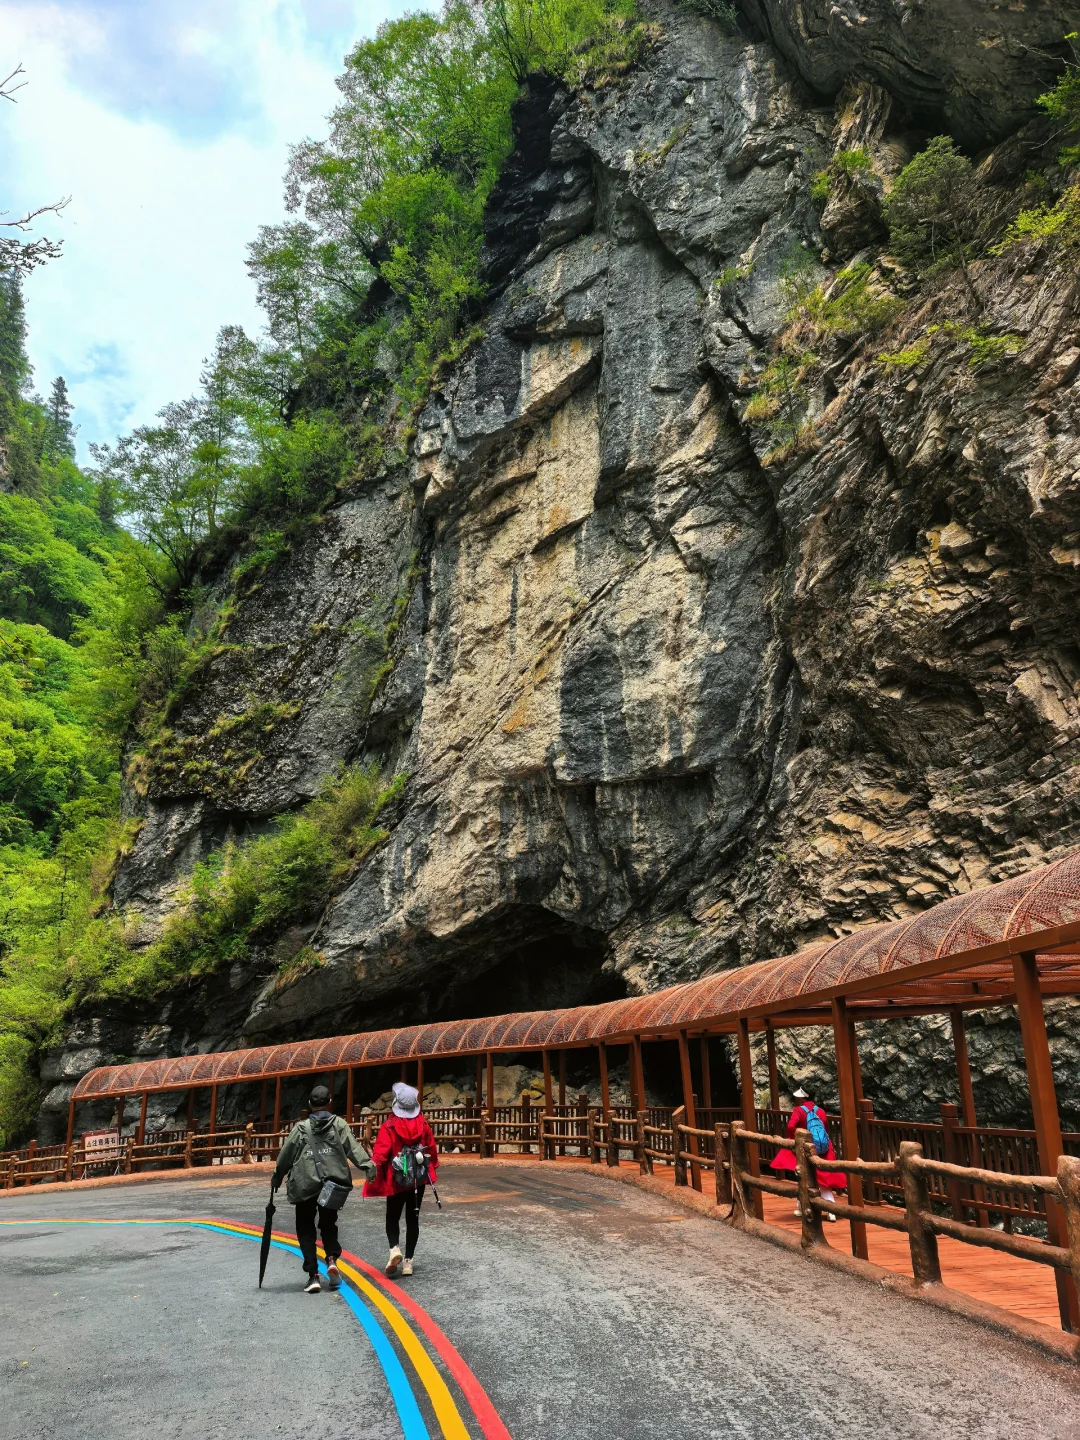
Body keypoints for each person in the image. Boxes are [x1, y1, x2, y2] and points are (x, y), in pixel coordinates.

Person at [272, 1083, 375, 1293]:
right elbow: (353, 1148)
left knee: (305, 1228)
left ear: (309, 1105)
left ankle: (313, 1276)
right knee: (328, 1225)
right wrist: (369, 1167)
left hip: (305, 1185)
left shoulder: (300, 1128)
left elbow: (285, 1157)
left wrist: (277, 1177)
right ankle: (331, 1261)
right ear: (330, 1103)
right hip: (332, 1185)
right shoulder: (339, 1125)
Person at [363, 1082, 438, 1276]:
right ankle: (408, 1263)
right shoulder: (423, 1123)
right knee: (413, 1219)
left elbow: (381, 1152)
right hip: (417, 1179)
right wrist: (433, 1166)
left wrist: (372, 1170)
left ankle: (394, 1248)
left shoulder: (390, 1126)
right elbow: (431, 1149)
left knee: (392, 1216)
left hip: (396, 1179)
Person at [770, 1084, 845, 1220]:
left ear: (801, 1099)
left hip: (805, 1147)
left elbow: (791, 1126)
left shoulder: (799, 1111)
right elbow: (825, 1128)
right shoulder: (820, 1111)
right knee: (824, 1179)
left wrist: (794, 1138)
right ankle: (831, 1211)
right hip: (823, 1147)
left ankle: (804, 1207)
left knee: (804, 1176)